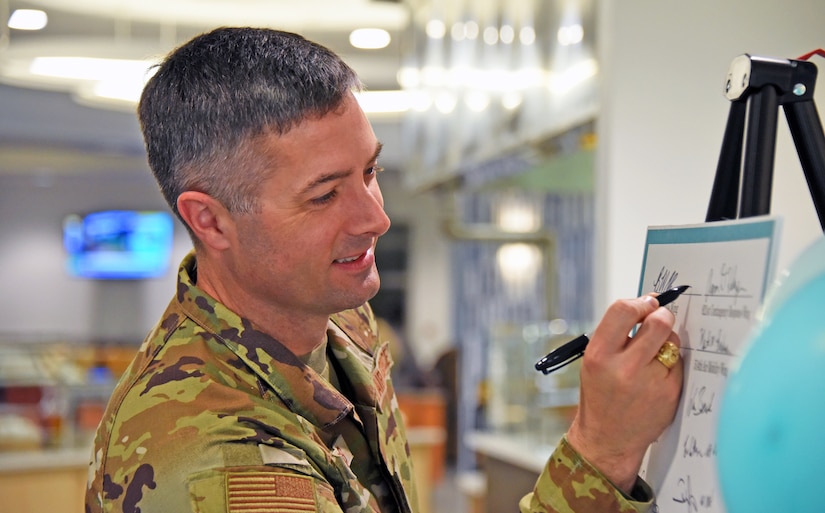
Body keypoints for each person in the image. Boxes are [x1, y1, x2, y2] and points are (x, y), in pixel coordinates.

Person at [85, 26, 683, 513]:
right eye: (323, 196)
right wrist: (601, 450)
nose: (377, 219)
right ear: (211, 222)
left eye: (370, 172)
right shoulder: (215, 461)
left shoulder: (342, 315)